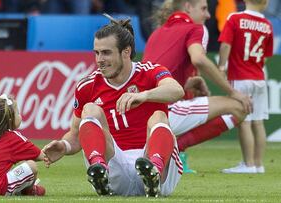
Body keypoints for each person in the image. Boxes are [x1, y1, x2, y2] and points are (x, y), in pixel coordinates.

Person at [42, 14, 185, 197]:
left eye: (106, 52)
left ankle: (154, 172)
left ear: (126, 51)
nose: (99, 59)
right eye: (96, 53)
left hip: (153, 161)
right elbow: (76, 134)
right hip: (116, 166)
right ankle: (99, 171)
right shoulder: (87, 86)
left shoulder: (150, 72)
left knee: (159, 116)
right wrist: (64, 145)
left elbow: (176, 90)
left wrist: (144, 96)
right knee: (90, 110)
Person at [143, 0, 252, 173]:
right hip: (164, 112)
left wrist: (186, 84)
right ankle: (177, 147)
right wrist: (232, 92)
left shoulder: (157, 33)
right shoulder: (196, 28)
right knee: (239, 107)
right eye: (204, 9)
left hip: (143, 116)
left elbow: (156, 76)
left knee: (192, 95)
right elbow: (199, 59)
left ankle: (166, 145)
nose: (208, 15)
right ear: (187, 7)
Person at [218, 0, 273, 173]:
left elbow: (226, 44)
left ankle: (248, 165)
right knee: (258, 122)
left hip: (241, 77)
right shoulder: (267, 24)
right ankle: (258, 164)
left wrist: (221, 67)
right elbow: (266, 55)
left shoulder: (235, 18)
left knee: (244, 122)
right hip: (259, 77)